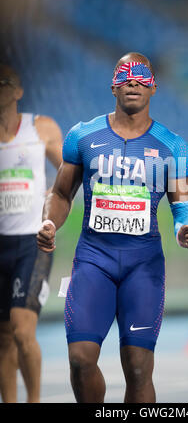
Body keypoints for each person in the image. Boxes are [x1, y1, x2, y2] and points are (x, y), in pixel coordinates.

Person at [37, 52, 188, 403]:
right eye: (125, 75)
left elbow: (183, 206)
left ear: (154, 87)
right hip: (94, 260)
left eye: (142, 76)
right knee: (80, 360)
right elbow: (62, 193)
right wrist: (50, 221)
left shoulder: (173, 146)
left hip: (144, 265)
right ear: (113, 85)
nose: (133, 82)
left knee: (138, 367)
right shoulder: (83, 136)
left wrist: (186, 229)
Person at [0, 63, 62, 403]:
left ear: (19, 91)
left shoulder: (41, 128)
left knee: (23, 331)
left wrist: (54, 195)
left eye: (5, 82)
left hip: (30, 243)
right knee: (3, 337)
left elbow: (71, 170)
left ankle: (33, 401)